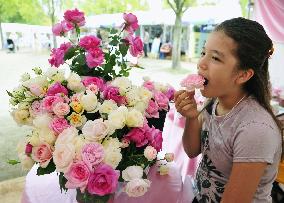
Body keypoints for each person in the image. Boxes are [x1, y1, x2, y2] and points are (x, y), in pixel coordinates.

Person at [174, 17, 282, 202]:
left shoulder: (255, 129)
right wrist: (192, 118)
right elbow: (192, 151)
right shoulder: (214, 101)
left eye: (215, 58)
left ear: (243, 75)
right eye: (203, 52)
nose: (201, 63)